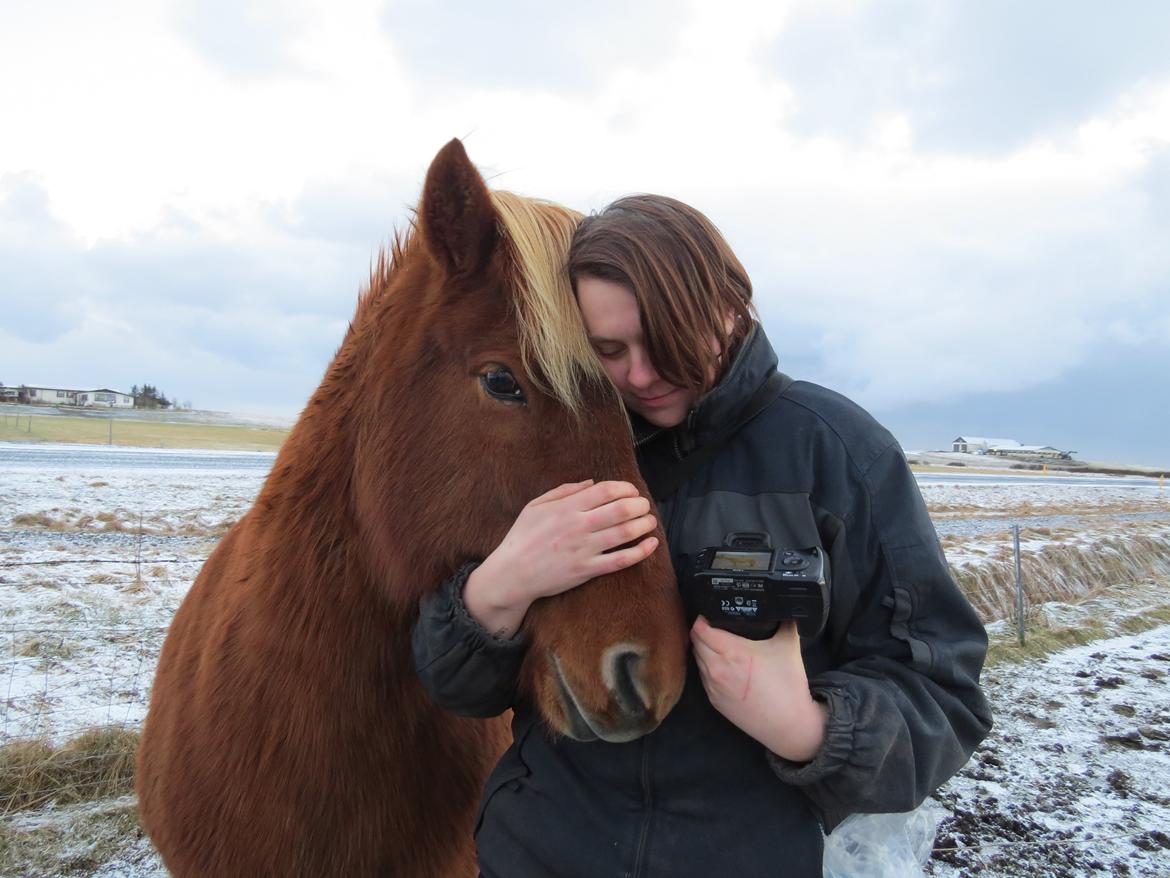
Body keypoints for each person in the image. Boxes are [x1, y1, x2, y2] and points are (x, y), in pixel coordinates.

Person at [412, 194, 993, 877]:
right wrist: (497, 592)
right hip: (537, 854)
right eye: (609, 350)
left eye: (665, 340)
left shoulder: (835, 453)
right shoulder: (564, 442)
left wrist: (807, 728)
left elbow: (943, 694)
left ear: (729, 303)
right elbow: (462, 691)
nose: (642, 375)